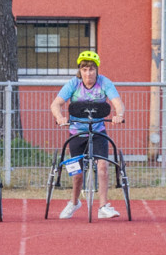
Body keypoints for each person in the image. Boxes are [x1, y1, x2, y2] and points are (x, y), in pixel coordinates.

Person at [50, 50, 126, 220]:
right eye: (84, 70)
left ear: (96, 70)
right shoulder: (73, 84)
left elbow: (117, 103)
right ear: (80, 71)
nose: (88, 73)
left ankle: (103, 206)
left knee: (103, 167)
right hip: (77, 132)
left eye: (91, 69)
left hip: (98, 131)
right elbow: (56, 104)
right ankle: (74, 202)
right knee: (77, 174)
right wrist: (60, 117)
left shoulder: (105, 83)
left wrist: (118, 115)